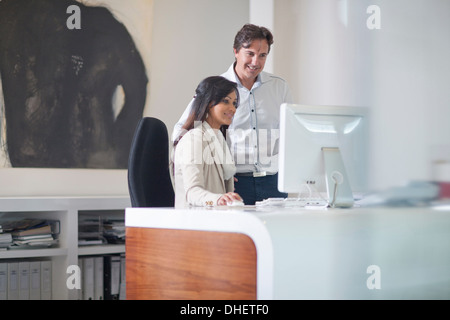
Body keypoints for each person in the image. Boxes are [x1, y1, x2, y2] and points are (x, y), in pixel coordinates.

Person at [173, 24, 293, 205]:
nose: (255, 62)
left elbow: (291, 133)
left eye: (262, 55)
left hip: (273, 181)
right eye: (250, 54)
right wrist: (210, 169)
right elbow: (184, 130)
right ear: (236, 51)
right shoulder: (217, 88)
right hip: (235, 182)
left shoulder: (279, 87)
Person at [172, 76, 243, 208]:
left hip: (215, 218)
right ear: (209, 103)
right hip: (195, 221)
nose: (232, 109)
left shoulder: (219, 140)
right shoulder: (193, 140)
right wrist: (219, 199)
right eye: (226, 101)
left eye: (234, 103)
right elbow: (192, 193)